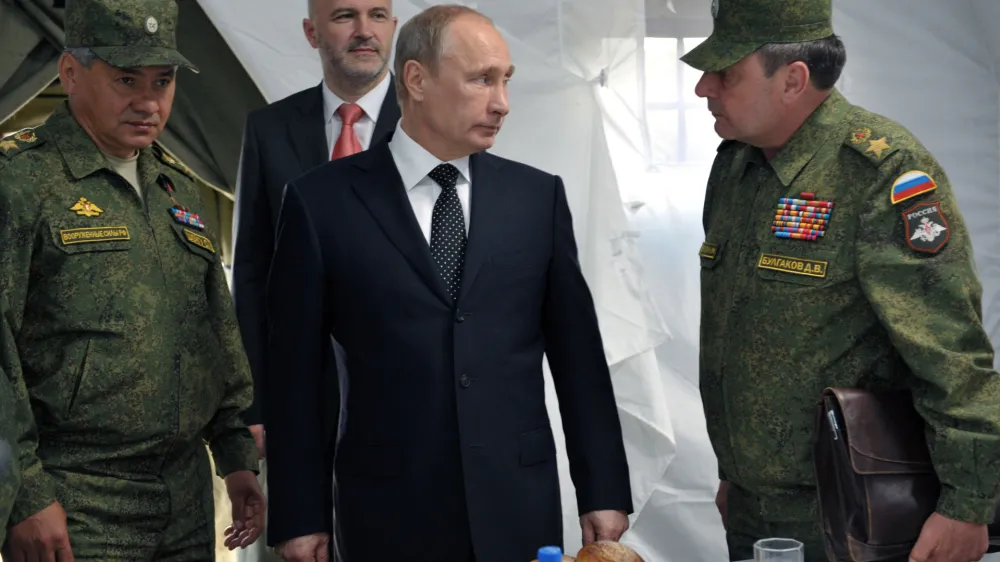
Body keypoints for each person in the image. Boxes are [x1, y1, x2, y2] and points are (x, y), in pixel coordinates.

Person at [263, 5, 634, 562]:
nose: (502, 102)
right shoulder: (321, 203)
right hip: (386, 511)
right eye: (482, 79)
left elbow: (578, 357)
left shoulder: (536, 199)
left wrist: (602, 488)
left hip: (516, 504)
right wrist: (300, 515)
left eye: (505, 80)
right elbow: (295, 376)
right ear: (416, 79)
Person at [680, 1, 1000, 561]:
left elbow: (950, 354)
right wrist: (739, 474)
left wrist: (966, 505)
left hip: (855, 511)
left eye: (726, 73)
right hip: (755, 508)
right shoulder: (735, 167)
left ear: (793, 80)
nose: (704, 87)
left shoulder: (880, 172)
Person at [0, 0, 265, 559]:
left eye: (162, 81)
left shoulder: (177, 189)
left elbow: (214, 333)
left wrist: (236, 453)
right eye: (126, 79)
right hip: (76, 502)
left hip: (185, 502)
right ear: (70, 72)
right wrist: (24, 494)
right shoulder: (19, 181)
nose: (148, 101)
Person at [229, 0, 400, 557]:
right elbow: (251, 273)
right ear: (311, 31)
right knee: (303, 545)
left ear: (394, 26)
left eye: (378, 15)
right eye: (345, 16)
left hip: (406, 396)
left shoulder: (431, 122)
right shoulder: (269, 127)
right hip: (298, 400)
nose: (365, 31)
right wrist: (253, 404)